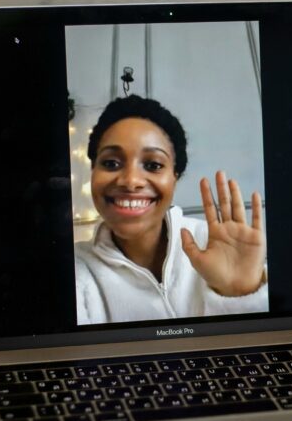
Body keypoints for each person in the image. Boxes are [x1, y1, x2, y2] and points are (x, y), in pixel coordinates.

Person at [74, 95, 268, 325]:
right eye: (111, 163)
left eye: (153, 165)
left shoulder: (224, 245)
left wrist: (240, 293)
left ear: (175, 176)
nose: (131, 181)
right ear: (93, 171)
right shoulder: (76, 269)